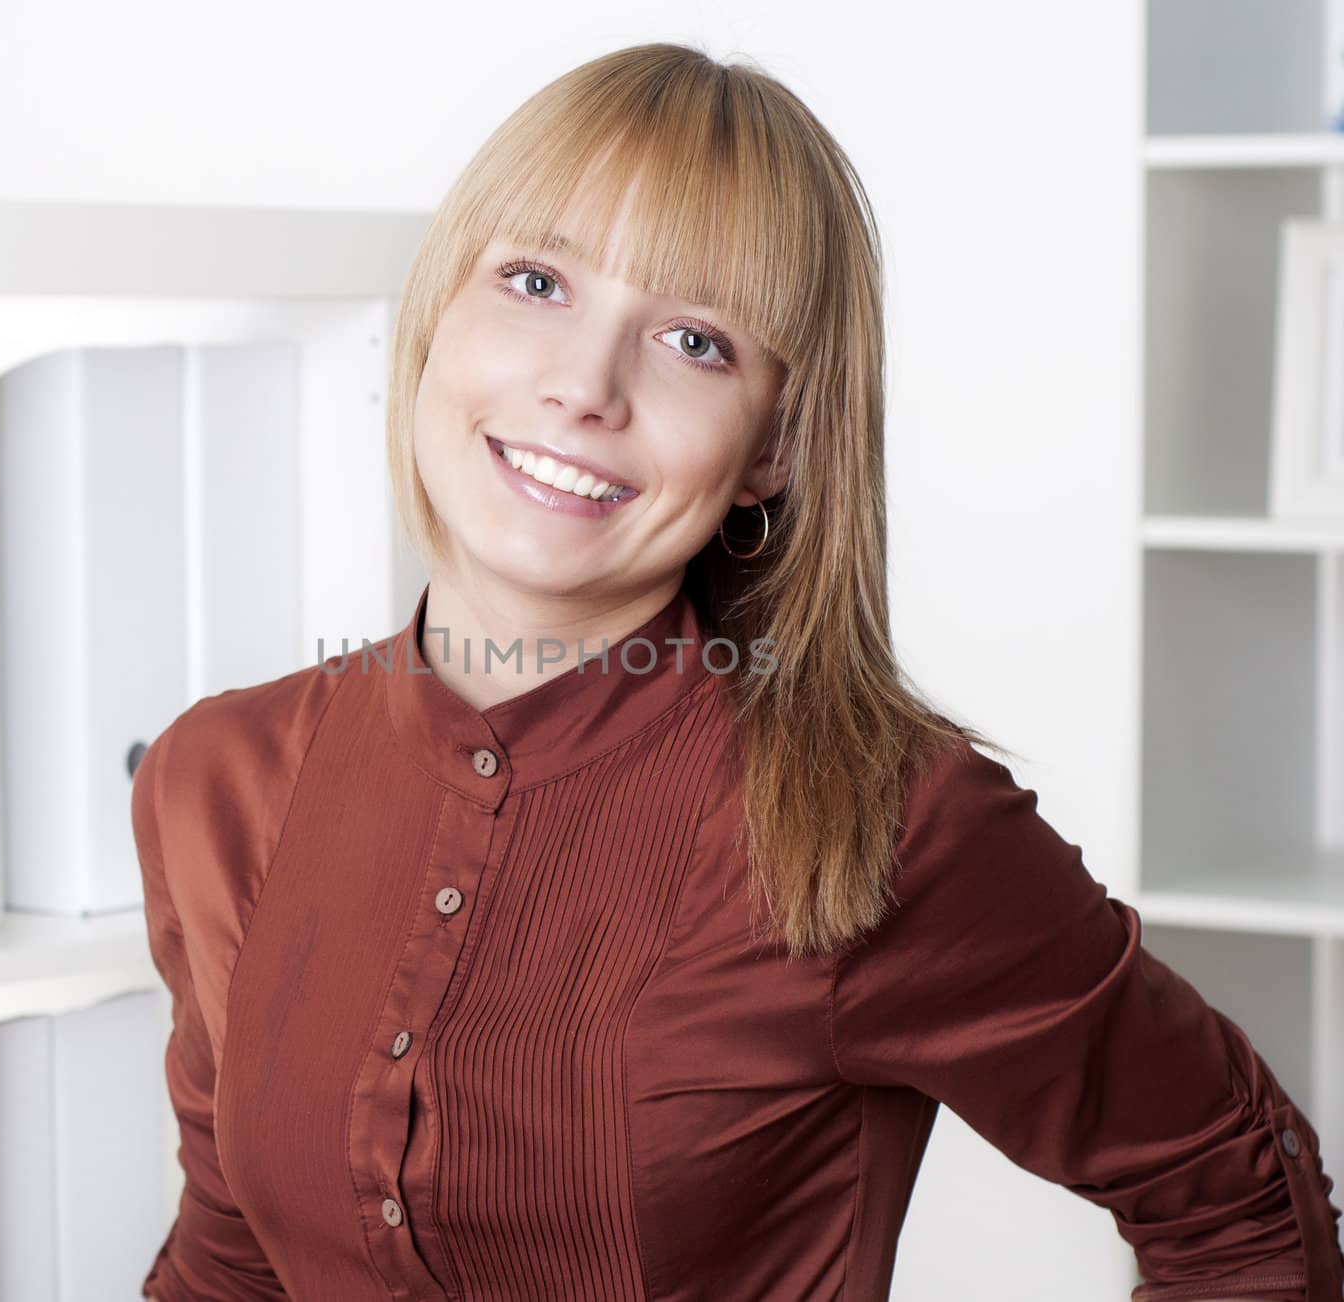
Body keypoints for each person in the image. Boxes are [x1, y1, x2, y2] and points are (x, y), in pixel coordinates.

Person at [133, 41, 1344, 1302]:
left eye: (695, 342)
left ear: (772, 443)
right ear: (438, 314)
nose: (583, 389)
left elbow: (1241, 1203)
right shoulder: (214, 781)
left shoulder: (881, 822)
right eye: (536, 280)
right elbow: (229, 1252)